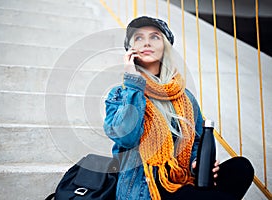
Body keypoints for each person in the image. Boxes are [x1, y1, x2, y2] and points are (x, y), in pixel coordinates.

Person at [103, 16, 254, 200]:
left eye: (155, 37)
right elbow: (126, 137)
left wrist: (196, 163)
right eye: (139, 38)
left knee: (241, 168)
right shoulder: (121, 94)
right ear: (130, 49)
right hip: (147, 188)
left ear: (165, 46)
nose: (147, 42)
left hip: (182, 179)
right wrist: (134, 82)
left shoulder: (184, 97)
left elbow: (195, 142)